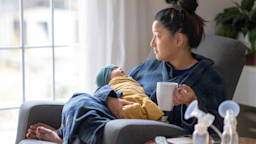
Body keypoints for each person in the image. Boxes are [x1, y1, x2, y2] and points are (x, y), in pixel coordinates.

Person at [26, 0, 227, 144]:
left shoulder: (209, 78)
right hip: (115, 121)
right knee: (79, 99)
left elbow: (217, 130)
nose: (151, 44)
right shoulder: (146, 68)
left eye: (157, 36)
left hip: (151, 132)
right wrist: (111, 100)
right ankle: (68, 137)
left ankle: (66, 139)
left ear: (178, 40)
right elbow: (116, 86)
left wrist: (192, 103)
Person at [95, 64, 166, 121]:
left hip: (137, 96)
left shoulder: (129, 79)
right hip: (124, 98)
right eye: (114, 69)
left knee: (141, 102)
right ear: (107, 78)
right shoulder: (111, 85)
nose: (120, 68)